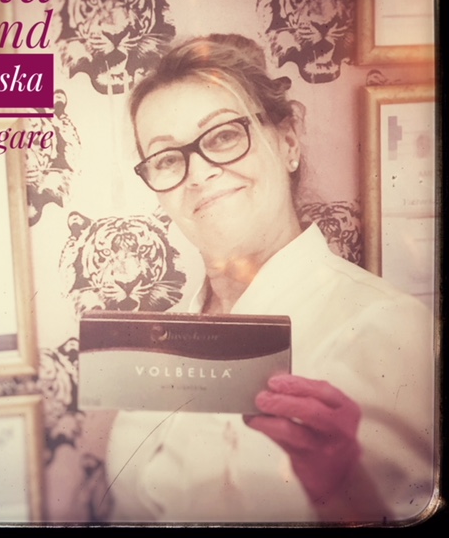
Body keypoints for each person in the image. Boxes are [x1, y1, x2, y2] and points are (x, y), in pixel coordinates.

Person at [104, 34, 436, 523]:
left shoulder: (390, 327)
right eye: (168, 158)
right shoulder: (155, 345)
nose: (198, 173)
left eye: (223, 136)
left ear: (288, 143)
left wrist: (346, 492)